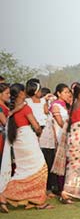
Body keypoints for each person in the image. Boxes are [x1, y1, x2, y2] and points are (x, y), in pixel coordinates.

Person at [0, 83, 53, 211]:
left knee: (23, 170)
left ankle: (28, 199)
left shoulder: (11, 110)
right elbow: (36, 126)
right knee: (41, 168)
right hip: (28, 140)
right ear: (21, 94)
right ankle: (7, 195)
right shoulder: (25, 108)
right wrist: (39, 131)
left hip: (18, 142)